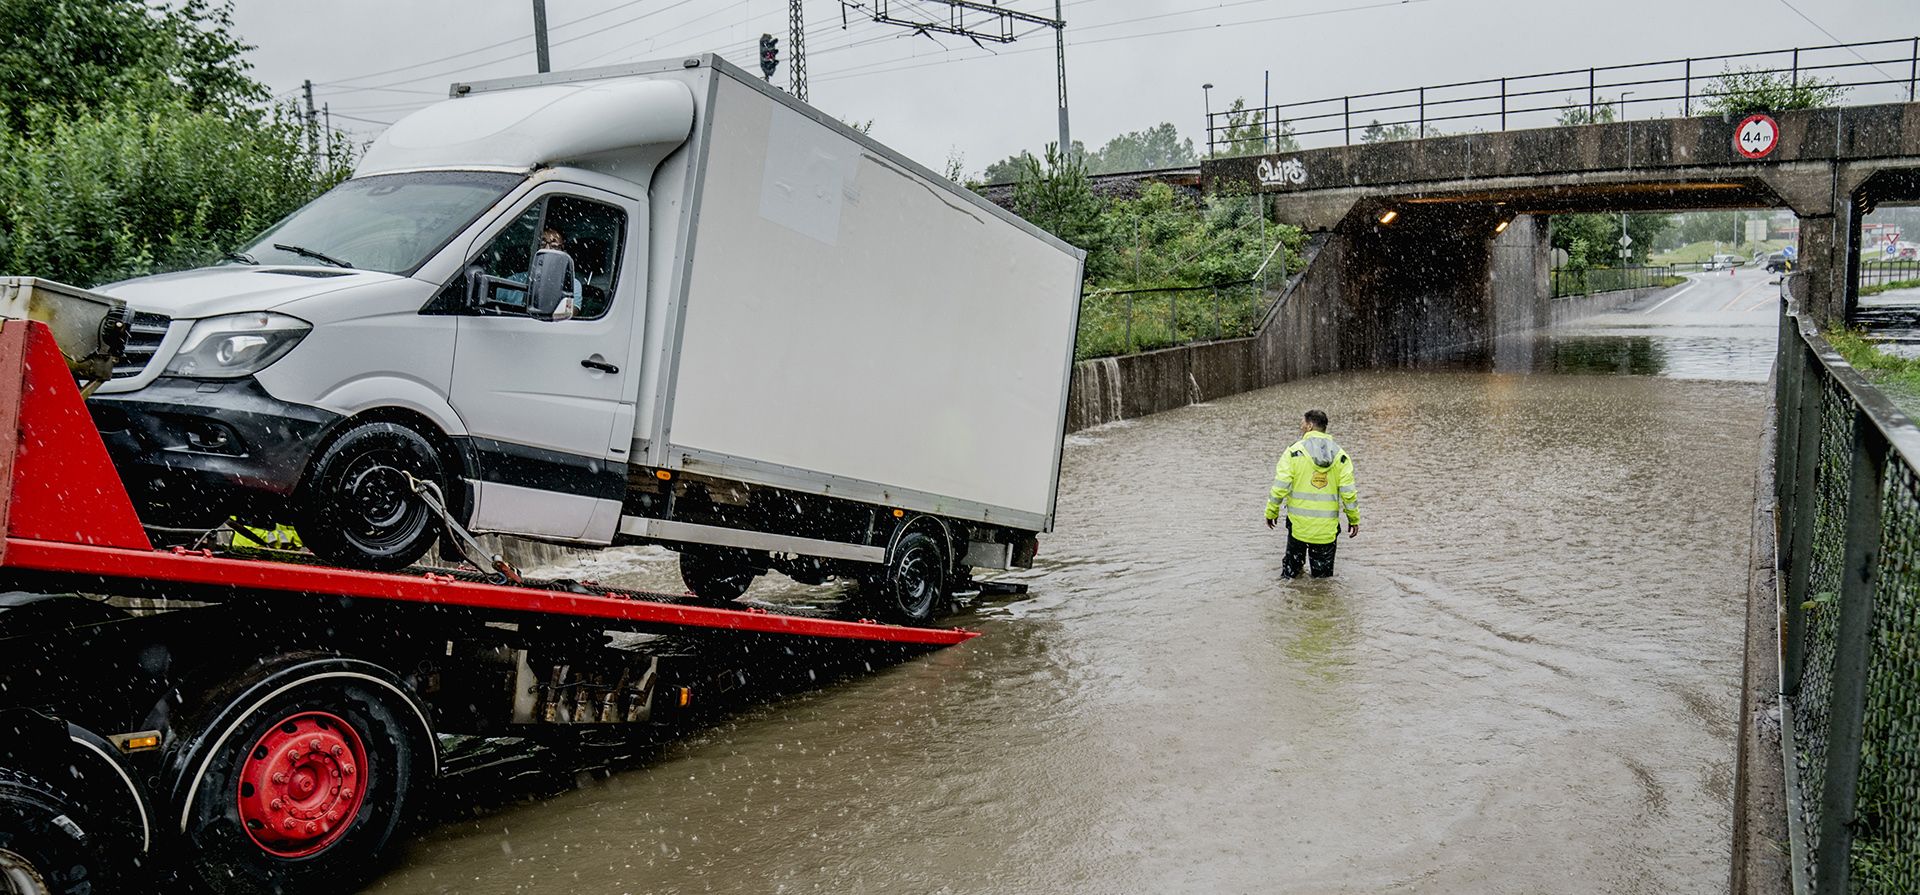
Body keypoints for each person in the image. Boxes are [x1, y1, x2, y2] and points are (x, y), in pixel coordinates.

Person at [1264, 409, 1360, 578]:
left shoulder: (1293, 452)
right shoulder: (1341, 456)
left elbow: (1280, 486)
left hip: (1298, 527)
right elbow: (1348, 493)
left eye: (1302, 423)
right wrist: (1353, 519)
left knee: (1291, 578)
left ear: (1309, 426)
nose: (1301, 426)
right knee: (1323, 583)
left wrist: (1272, 511)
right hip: (1326, 530)